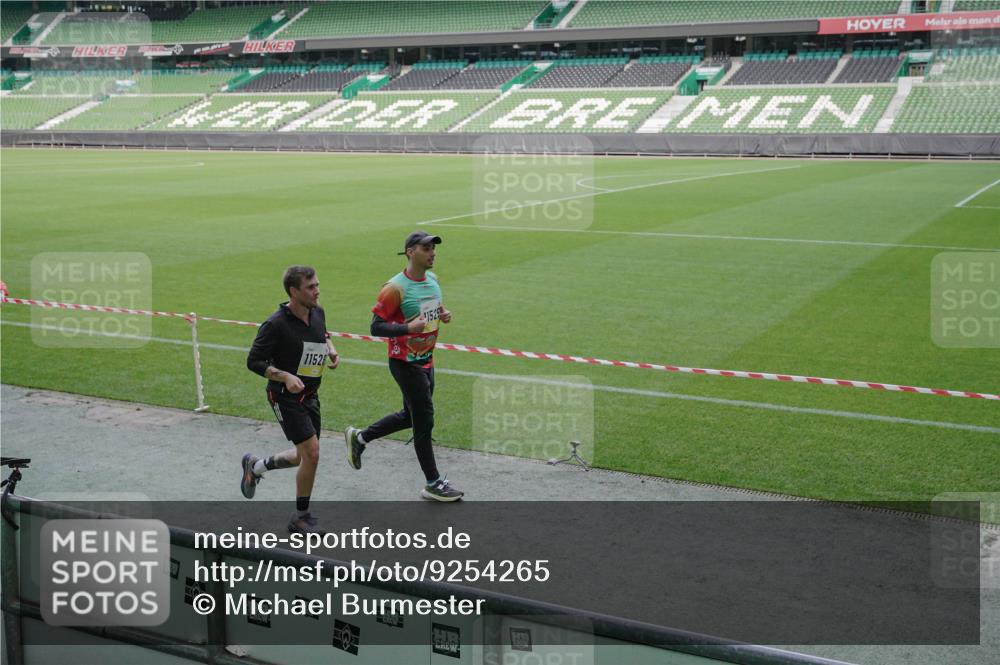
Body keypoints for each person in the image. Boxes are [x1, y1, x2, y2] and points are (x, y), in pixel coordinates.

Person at [344, 231, 463, 501]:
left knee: (410, 416)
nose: (432, 253)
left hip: (426, 360)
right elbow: (375, 327)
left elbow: (432, 310)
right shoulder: (394, 288)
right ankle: (433, 483)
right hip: (404, 363)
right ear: (410, 252)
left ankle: (360, 438)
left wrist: (443, 315)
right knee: (424, 421)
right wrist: (408, 327)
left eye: (434, 248)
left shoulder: (433, 280)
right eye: (426, 248)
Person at [241, 265, 340, 534]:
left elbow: (323, 334)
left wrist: (330, 350)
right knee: (312, 452)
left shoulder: (317, 312)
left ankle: (256, 466)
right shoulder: (275, 324)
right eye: (311, 287)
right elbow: (254, 361)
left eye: (317, 285)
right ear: (293, 292)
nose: (317, 291)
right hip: (284, 396)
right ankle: (300, 517)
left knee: (301, 456)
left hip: (310, 395)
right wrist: (284, 376)